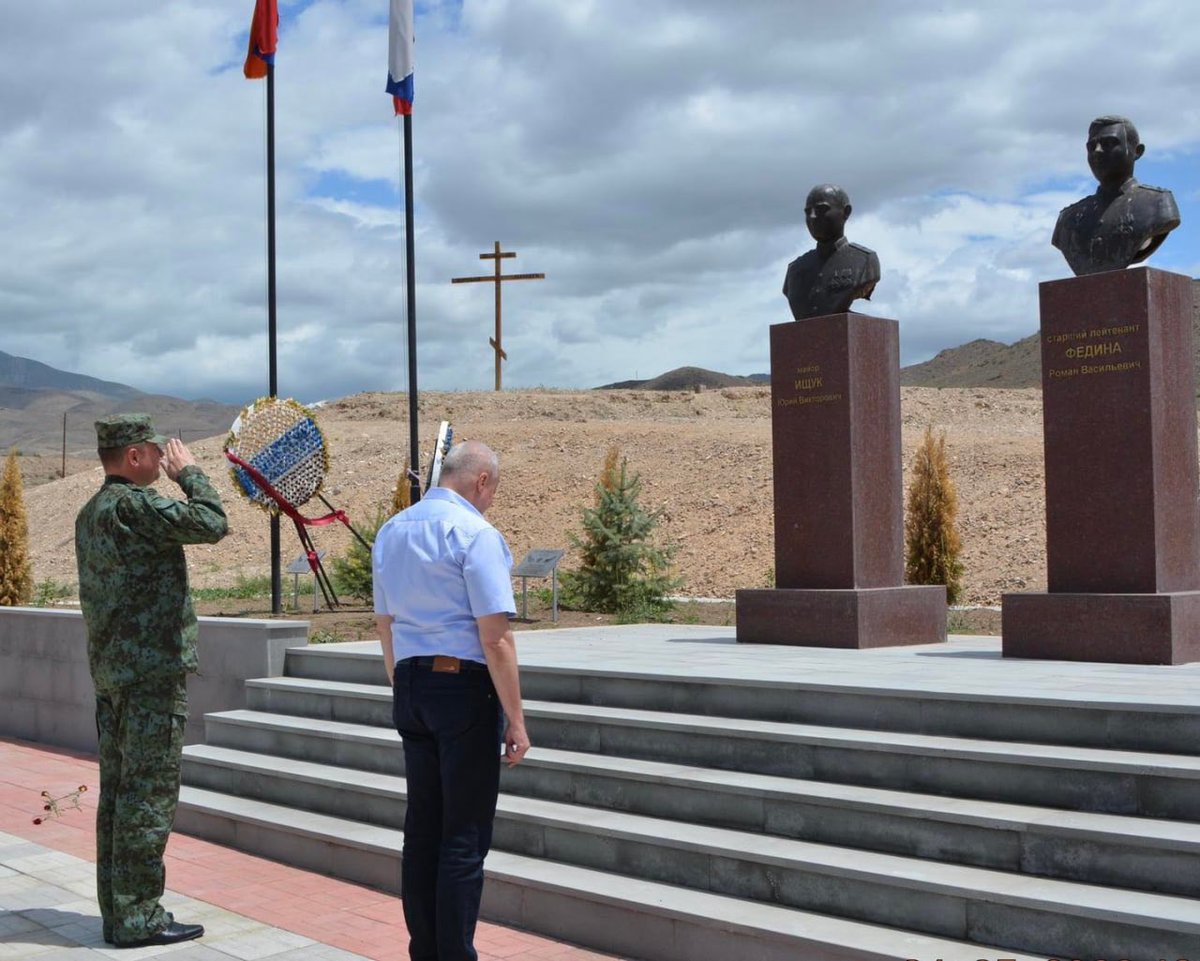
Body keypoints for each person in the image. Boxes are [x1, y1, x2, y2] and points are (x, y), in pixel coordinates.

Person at [372, 440, 530, 961]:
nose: (492, 502)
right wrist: (516, 718)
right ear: (481, 480)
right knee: (462, 836)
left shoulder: (392, 530)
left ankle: (426, 951)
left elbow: (385, 622)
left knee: (422, 831)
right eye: (494, 491)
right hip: (463, 688)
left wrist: (404, 687)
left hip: (412, 684)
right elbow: (495, 637)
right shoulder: (474, 534)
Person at [75, 414, 228, 948]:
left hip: (115, 675)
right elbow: (212, 522)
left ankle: (119, 913)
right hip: (151, 677)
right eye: (156, 453)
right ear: (135, 456)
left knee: (118, 795)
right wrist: (192, 475)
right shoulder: (135, 505)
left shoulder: (91, 511)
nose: (164, 460)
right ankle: (139, 918)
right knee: (147, 798)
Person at [1052, 115, 1180, 276]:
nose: (1097, 151)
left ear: (1137, 151)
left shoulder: (1158, 204)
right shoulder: (1067, 220)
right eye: (1091, 146)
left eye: (1109, 143)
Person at [783, 183, 881, 320]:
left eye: (821, 209)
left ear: (846, 212)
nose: (812, 217)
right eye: (808, 212)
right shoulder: (795, 269)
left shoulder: (864, 261)